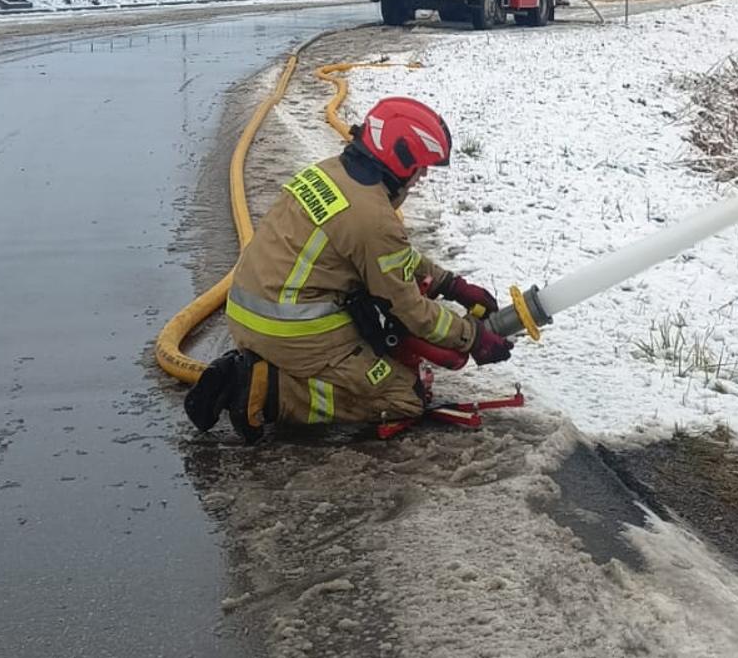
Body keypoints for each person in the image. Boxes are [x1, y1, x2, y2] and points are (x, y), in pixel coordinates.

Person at [185, 97, 513, 443]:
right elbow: (411, 311)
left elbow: (385, 256)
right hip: (290, 331)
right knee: (403, 397)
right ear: (402, 159)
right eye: (422, 166)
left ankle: (279, 370)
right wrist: (472, 337)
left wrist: (450, 284)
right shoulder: (372, 216)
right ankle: (265, 390)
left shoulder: (331, 172)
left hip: (253, 313)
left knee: (386, 348)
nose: (424, 175)